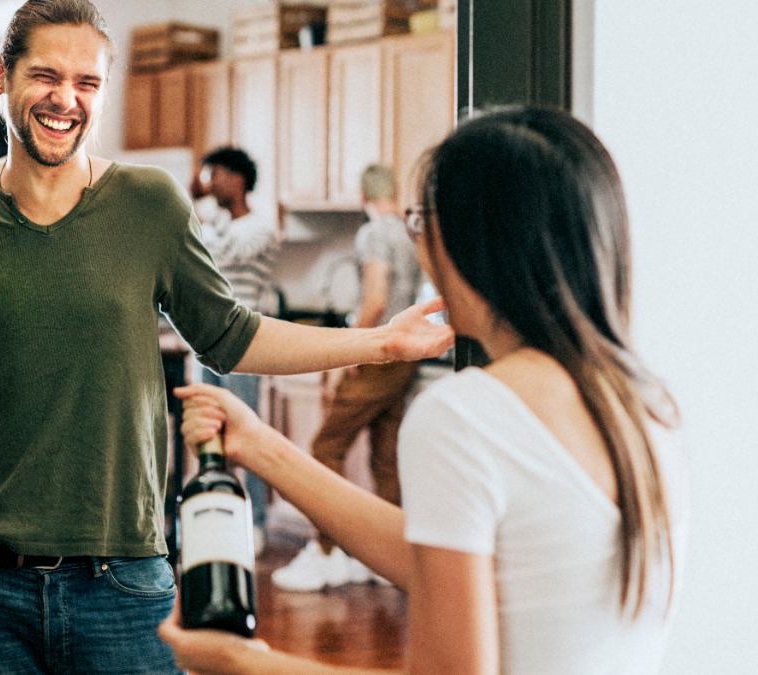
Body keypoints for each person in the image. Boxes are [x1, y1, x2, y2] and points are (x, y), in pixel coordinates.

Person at [0, 1, 452, 673]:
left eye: (87, 82)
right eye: (45, 76)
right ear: (2, 73)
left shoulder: (150, 203)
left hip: (121, 580)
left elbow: (229, 334)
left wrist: (380, 344)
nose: (65, 99)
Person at [161, 106, 687, 674]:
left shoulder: (465, 416)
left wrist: (242, 664)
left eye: (421, 224)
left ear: (465, 241)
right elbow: (443, 560)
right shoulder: (645, 406)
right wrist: (261, 446)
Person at [271, 163, 420, 592]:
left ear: (363, 195)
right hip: (405, 355)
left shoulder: (373, 234)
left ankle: (326, 550)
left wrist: (353, 346)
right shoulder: (411, 233)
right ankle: (383, 559)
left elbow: (374, 299)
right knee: (386, 455)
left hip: (378, 352)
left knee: (325, 446)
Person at [190, 146, 279, 553]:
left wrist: (200, 211)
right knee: (210, 435)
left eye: (218, 173)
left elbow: (221, 252)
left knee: (249, 433)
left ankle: (257, 523)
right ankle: (217, 518)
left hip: (245, 343)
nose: (212, 181)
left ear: (239, 178)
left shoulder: (260, 228)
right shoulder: (218, 221)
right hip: (207, 342)